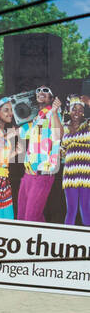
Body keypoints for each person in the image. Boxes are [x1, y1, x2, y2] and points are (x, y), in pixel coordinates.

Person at [16, 86, 63, 223]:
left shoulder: (54, 114)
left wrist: (54, 112)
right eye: (38, 91)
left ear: (52, 99)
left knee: (31, 218)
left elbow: (58, 135)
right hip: (28, 176)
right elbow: (20, 132)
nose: (41, 92)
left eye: (46, 91)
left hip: (42, 175)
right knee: (22, 217)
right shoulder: (37, 118)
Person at [62, 96, 90, 226]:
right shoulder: (64, 128)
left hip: (86, 174)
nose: (77, 113)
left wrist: (89, 102)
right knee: (71, 210)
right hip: (70, 174)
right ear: (69, 110)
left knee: (85, 209)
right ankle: (67, 242)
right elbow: (61, 152)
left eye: (80, 110)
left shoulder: (88, 125)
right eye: (74, 109)